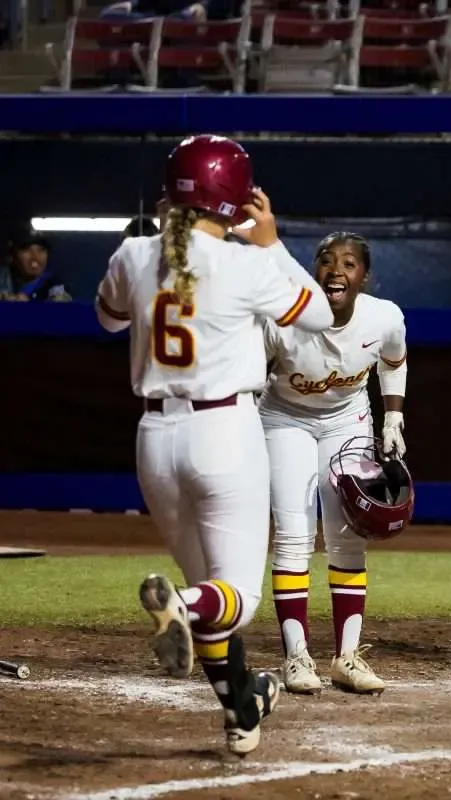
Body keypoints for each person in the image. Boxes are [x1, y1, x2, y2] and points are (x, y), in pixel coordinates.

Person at [94, 134, 334, 756]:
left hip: (155, 439)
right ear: (234, 197)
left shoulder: (133, 254)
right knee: (236, 599)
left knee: (210, 600)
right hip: (224, 432)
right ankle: (181, 606)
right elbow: (321, 317)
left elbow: (108, 318)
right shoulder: (246, 263)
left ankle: (243, 705)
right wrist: (270, 241)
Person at [260, 231, 408, 696]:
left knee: (348, 537)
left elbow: (394, 361)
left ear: (364, 276)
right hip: (285, 419)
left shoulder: (383, 317)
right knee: (295, 533)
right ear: (313, 270)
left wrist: (394, 417)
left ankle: (347, 656)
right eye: (326, 260)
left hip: (349, 419)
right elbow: (249, 374)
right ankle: (296, 656)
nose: (336, 270)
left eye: (349, 263)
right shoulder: (284, 319)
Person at [2, 226, 71, 302]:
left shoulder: (56, 287)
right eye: (26, 249)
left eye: (41, 250)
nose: (35, 257)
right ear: (12, 256)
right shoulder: (3, 279)